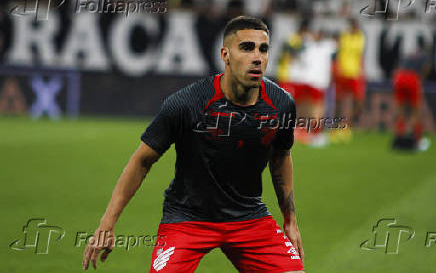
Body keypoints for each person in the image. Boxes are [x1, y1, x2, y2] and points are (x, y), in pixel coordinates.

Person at [82, 16, 305, 272]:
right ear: (226, 54)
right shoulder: (186, 105)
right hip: (187, 219)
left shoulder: (282, 104)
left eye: (263, 49)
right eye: (246, 47)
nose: (257, 57)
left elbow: (281, 156)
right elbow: (142, 160)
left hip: (248, 218)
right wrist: (107, 224)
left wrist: (290, 220)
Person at [392, 39, 430, 151]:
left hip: (399, 77)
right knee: (415, 111)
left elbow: (398, 67)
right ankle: (416, 139)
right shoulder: (425, 56)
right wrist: (421, 80)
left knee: (401, 110)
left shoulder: (409, 54)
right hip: (412, 78)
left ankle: (399, 136)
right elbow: (426, 69)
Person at [332, 18, 365, 142]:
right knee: (339, 101)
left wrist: (362, 70)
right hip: (342, 73)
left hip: (355, 74)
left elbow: (360, 55)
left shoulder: (360, 37)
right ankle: (336, 128)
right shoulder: (344, 36)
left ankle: (346, 126)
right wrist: (337, 68)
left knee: (357, 102)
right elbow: (339, 53)